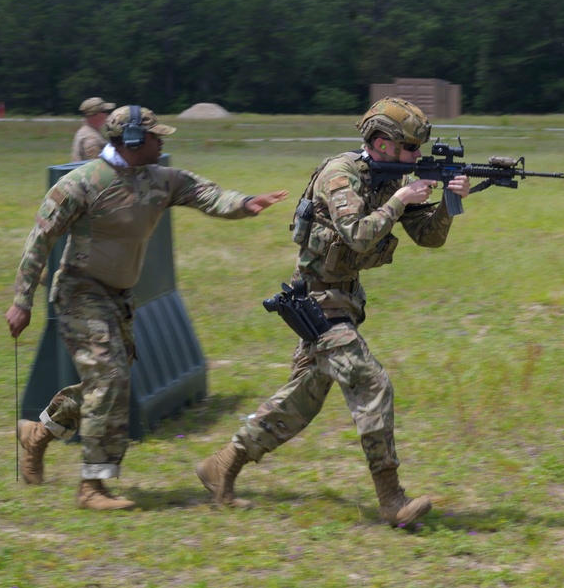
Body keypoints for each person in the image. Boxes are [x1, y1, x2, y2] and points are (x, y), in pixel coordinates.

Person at [195, 97, 469, 526]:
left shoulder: (393, 177)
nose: (419, 157)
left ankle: (222, 465)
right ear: (381, 142)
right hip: (319, 302)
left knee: (301, 401)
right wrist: (398, 200)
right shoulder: (339, 175)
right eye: (411, 148)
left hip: (344, 300)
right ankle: (392, 501)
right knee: (371, 382)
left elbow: (428, 238)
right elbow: (359, 236)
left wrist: (451, 202)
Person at [8, 105, 288, 510]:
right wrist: (22, 301)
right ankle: (92, 487)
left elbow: (206, 193)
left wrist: (244, 203)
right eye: (156, 136)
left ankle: (38, 434)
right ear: (133, 141)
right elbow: (40, 240)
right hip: (80, 292)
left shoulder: (160, 179)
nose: (163, 142)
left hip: (119, 297)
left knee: (105, 384)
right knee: (110, 378)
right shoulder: (83, 183)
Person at [71, 97, 116, 162]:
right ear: (94, 114)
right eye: (104, 111)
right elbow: (98, 168)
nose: (107, 114)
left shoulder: (86, 131)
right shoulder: (91, 140)